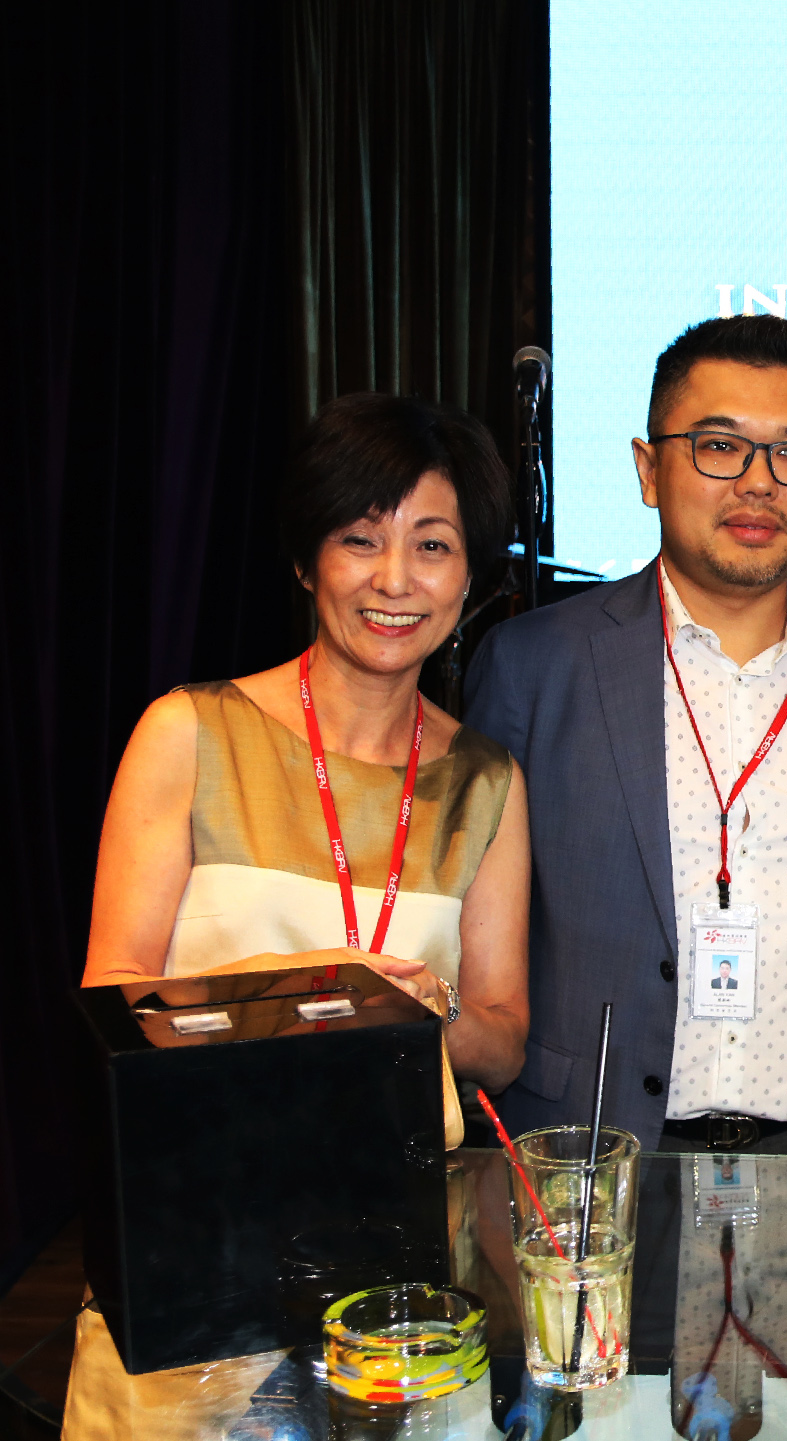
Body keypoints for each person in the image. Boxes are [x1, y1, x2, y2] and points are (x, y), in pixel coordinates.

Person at [466, 315, 787, 1155]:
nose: (759, 483)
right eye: (720, 447)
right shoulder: (531, 665)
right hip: (596, 1148)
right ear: (649, 470)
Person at [82, 393, 531, 1103]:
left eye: (432, 546)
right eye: (360, 539)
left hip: (402, 1160)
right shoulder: (189, 732)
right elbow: (113, 997)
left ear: (469, 576)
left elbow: (503, 1051)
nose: (394, 579)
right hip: (208, 1152)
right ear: (305, 561)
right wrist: (301, 990)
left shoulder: (485, 784)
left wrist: (434, 1005)